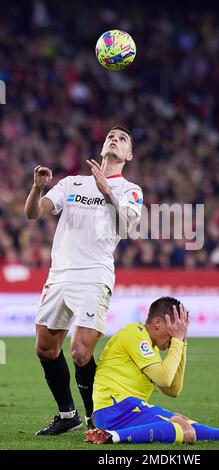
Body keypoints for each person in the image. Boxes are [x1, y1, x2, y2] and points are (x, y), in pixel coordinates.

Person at [24, 126, 143, 435]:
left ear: (128, 155)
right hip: (60, 274)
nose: (114, 139)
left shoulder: (130, 189)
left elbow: (128, 226)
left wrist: (107, 193)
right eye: (111, 137)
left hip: (95, 275)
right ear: (103, 146)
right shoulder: (72, 183)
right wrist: (37, 189)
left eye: (122, 139)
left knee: (80, 352)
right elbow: (34, 213)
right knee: (45, 349)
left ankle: (96, 420)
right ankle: (67, 415)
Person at [86, 297, 219, 445]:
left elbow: (173, 389)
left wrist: (181, 343)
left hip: (128, 408)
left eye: (182, 328)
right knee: (186, 431)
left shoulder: (151, 346)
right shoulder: (134, 334)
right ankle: (111, 436)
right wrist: (177, 341)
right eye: (175, 327)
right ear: (157, 323)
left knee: (184, 422)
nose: (178, 332)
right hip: (115, 409)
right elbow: (164, 379)